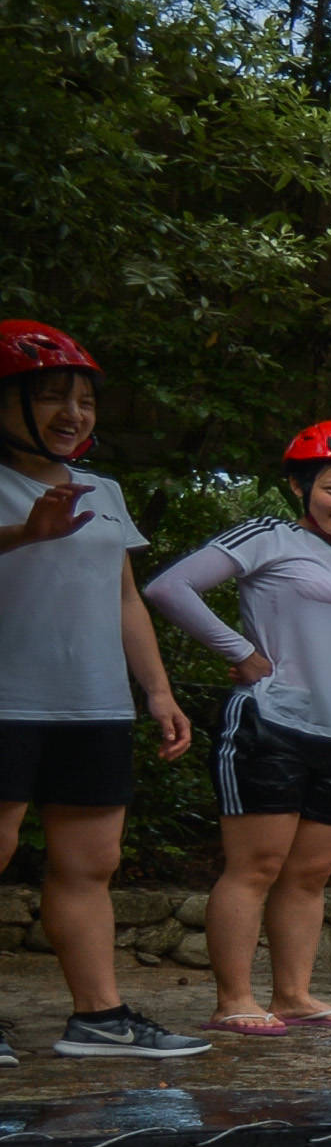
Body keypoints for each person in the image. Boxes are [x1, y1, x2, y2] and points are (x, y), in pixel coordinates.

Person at [146, 422, 331, 1039]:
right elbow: (169, 586)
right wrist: (238, 651)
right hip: (271, 722)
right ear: (300, 488)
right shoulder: (268, 538)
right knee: (256, 866)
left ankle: (293, 995)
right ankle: (234, 998)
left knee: (311, 874)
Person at [0, 321, 204, 1060]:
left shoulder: (102, 491)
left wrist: (157, 691)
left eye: (84, 400)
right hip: (7, 699)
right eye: (52, 396)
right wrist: (26, 533)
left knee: (91, 863)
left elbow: (124, 599)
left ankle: (100, 1016)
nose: (72, 414)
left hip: (92, 702)